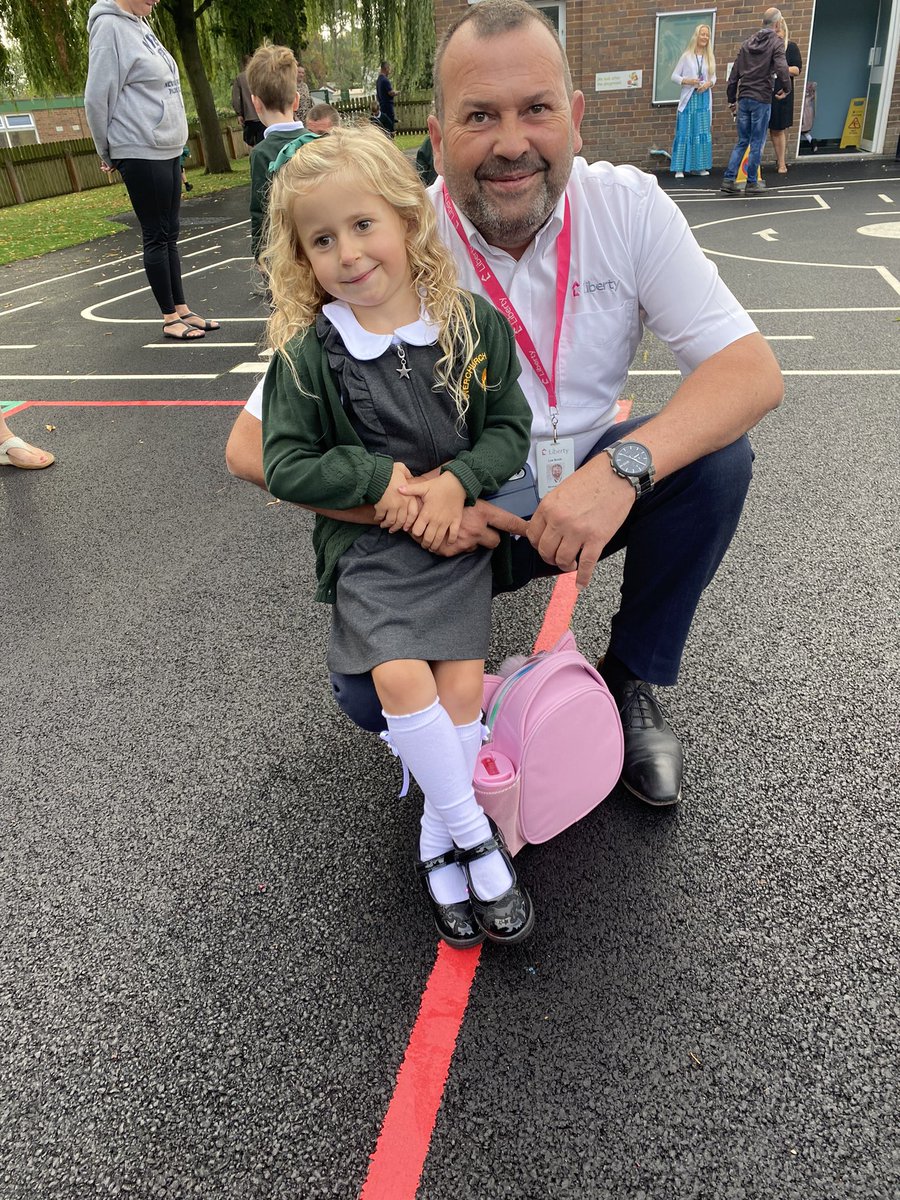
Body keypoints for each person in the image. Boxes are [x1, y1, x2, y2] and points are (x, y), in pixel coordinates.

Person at [227, 0, 784, 810]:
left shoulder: (628, 207)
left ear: (576, 119)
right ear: (438, 134)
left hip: (586, 492)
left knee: (717, 461)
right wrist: (414, 507)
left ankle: (624, 682)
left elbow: (752, 372)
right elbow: (251, 448)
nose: (512, 142)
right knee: (367, 693)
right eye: (480, 115)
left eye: (537, 109)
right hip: (450, 516)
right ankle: (485, 717)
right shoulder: (386, 239)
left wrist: (621, 470)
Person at [260, 125, 535, 947]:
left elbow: (510, 428)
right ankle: (475, 836)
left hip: (455, 541)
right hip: (373, 553)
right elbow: (283, 465)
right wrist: (375, 479)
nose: (347, 253)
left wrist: (458, 479)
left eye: (363, 225)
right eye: (322, 239)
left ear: (408, 220)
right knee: (399, 674)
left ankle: (434, 841)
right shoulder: (308, 359)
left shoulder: (471, 325)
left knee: (460, 689)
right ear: (302, 257)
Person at [84, 0, 220, 342]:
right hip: (139, 147)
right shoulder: (108, 27)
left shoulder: (140, 23)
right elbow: (96, 97)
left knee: (170, 232)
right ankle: (169, 318)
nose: (157, 1)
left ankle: (182, 308)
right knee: (156, 234)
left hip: (166, 146)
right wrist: (106, 150)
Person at [721, 7, 791, 194]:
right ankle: (752, 182)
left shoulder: (747, 43)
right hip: (761, 97)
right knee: (757, 142)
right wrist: (786, 88)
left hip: (744, 96)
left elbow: (734, 74)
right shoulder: (776, 42)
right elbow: (782, 68)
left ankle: (729, 179)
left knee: (742, 141)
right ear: (777, 24)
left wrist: (731, 99)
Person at [246, 44, 303, 264]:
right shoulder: (317, 141)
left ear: (256, 103)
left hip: (284, 252)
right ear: (296, 100)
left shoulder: (261, 154)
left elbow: (261, 211)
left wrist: (260, 253)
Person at [669, 24, 716, 178]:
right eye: (702, 34)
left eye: (707, 35)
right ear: (696, 36)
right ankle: (679, 168)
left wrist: (708, 84)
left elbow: (713, 77)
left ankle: (699, 166)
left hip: (703, 98)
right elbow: (674, 76)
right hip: (689, 98)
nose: (705, 37)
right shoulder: (687, 56)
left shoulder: (709, 57)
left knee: (701, 131)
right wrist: (687, 81)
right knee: (685, 131)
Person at [768, 17, 803, 173]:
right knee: (759, 129)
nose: (777, 34)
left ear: (784, 31)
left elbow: (797, 70)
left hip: (782, 91)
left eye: (779, 31)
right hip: (765, 91)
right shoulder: (766, 48)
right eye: (774, 31)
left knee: (778, 129)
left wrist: (782, 68)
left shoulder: (791, 47)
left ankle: (781, 163)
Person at [232, 55, 265, 148]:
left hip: (249, 117)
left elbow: (236, 98)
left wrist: (239, 113)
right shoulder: (261, 76)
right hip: (262, 115)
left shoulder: (239, 78)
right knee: (263, 140)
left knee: (251, 142)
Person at [375, 61, 396, 135]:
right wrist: (396, 92)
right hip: (388, 106)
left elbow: (377, 94)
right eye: (389, 69)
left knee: (384, 126)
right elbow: (390, 93)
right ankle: (391, 138)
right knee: (390, 126)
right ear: (386, 68)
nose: (389, 71)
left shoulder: (378, 80)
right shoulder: (385, 80)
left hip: (382, 106)